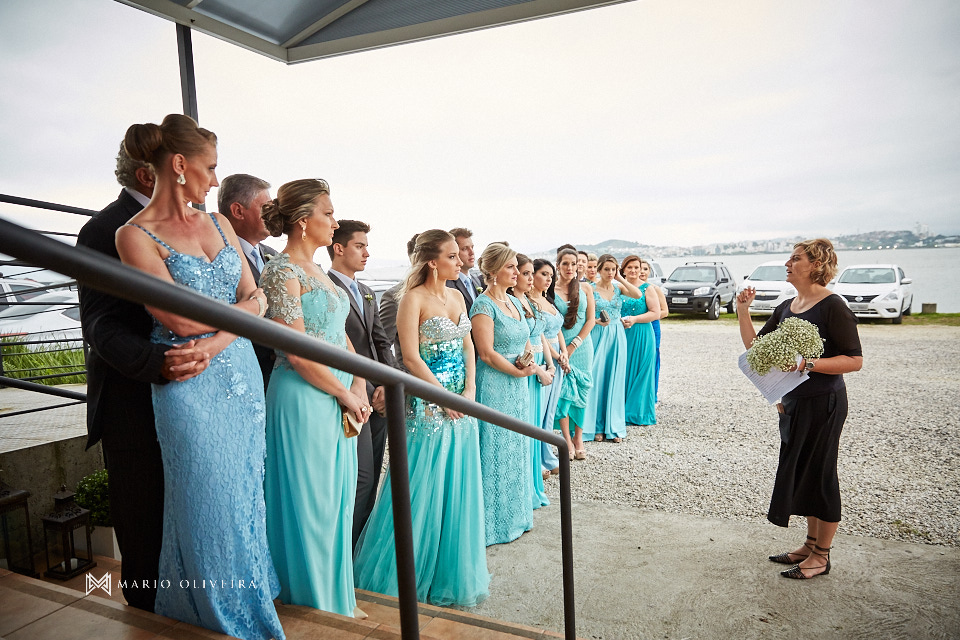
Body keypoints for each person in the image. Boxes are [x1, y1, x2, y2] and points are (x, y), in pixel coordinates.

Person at [115, 114, 284, 640]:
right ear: (181, 165)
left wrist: (215, 340)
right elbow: (180, 320)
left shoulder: (220, 224)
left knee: (244, 497)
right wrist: (226, 322)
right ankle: (216, 618)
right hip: (189, 387)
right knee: (206, 501)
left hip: (232, 371)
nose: (215, 180)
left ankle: (249, 606)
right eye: (210, 168)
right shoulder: (132, 235)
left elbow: (258, 299)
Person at [77, 141, 210, 612]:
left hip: (200, 394)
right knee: (144, 522)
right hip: (133, 402)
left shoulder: (198, 225)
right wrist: (157, 363)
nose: (206, 181)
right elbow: (99, 324)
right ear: (149, 175)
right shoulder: (103, 230)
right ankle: (147, 618)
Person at [354, 229, 490, 606]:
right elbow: (410, 358)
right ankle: (403, 574)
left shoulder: (459, 295)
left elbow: (468, 345)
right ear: (432, 261)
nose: (460, 261)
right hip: (429, 404)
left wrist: (470, 392)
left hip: (462, 403)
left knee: (456, 485)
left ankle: (447, 570)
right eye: (452, 256)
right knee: (422, 484)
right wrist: (442, 396)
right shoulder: (411, 298)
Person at [258, 179, 369, 617]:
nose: (335, 221)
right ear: (304, 223)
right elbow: (297, 351)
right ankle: (314, 600)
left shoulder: (320, 273)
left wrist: (359, 384)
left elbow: (343, 338)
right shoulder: (280, 271)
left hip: (339, 394)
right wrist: (344, 391)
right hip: (303, 397)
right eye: (328, 213)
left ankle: (335, 595)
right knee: (313, 502)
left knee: (338, 498)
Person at [737, 238, 863, 580]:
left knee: (820, 475)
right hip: (792, 402)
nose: (787, 264)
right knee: (803, 474)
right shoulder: (787, 306)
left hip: (825, 403)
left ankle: (822, 556)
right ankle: (809, 544)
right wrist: (743, 311)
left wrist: (809, 362)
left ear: (816, 265)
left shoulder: (833, 306)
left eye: (795, 259)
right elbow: (757, 350)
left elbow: (854, 360)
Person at [326, 219, 399, 546]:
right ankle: (345, 548)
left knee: (372, 478)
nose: (367, 253)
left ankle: (361, 549)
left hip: (379, 396)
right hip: (348, 396)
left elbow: (382, 343)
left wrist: (387, 383)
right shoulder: (326, 288)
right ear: (338, 248)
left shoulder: (368, 292)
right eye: (360, 245)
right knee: (358, 476)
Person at [471, 242, 537, 545]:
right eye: (510, 266)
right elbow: (485, 353)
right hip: (495, 385)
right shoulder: (483, 306)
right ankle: (492, 523)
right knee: (495, 448)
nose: (516, 271)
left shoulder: (513, 301)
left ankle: (517, 515)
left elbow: (525, 338)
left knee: (516, 446)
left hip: (519, 385)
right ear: (493, 271)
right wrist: (517, 371)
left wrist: (529, 360)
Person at [219, 173, 277, 388]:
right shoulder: (219, 256)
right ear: (237, 211)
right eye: (266, 208)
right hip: (241, 373)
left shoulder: (274, 256)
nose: (272, 215)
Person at [508, 254, 554, 504]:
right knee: (525, 429)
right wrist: (538, 369)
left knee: (537, 428)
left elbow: (542, 336)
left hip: (541, 366)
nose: (526, 278)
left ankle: (533, 483)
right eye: (524, 273)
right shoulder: (511, 302)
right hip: (526, 370)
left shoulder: (531, 303)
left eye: (527, 273)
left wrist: (550, 363)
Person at [583, 255, 642, 442]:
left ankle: (613, 427)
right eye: (606, 269)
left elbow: (638, 294)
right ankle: (595, 427)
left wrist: (620, 277)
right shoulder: (590, 288)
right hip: (598, 333)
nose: (610, 273)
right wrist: (598, 322)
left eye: (613, 269)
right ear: (599, 270)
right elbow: (585, 313)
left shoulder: (619, 288)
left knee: (614, 378)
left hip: (617, 334)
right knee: (596, 377)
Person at [552, 248, 595, 460]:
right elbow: (552, 321)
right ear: (558, 265)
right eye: (565, 264)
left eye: (574, 263)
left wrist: (575, 345)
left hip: (582, 345)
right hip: (561, 345)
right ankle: (566, 440)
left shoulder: (586, 288)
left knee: (582, 391)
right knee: (564, 392)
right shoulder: (550, 290)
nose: (570, 268)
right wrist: (564, 350)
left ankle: (579, 438)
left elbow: (591, 320)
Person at [530, 258, 567, 475]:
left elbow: (558, 328)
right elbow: (541, 333)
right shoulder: (530, 302)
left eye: (551, 276)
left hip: (558, 358)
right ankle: (538, 458)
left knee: (550, 411)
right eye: (544, 274)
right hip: (546, 357)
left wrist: (565, 354)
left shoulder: (548, 301)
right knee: (540, 409)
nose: (548, 279)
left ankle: (546, 453)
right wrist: (555, 356)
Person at [620, 255, 662, 427]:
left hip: (643, 333)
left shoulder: (648, 288)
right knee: (624, 370)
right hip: (622, 333)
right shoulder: (619, 288)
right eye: (630, 267)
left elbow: (655, 313)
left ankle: (639, 413)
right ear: (623, 269)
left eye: (636, 267)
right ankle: (621, 410)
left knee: (641, 371)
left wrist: (635, 319)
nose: (634, 270)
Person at [379, 232, 419, 367]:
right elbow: (383, 345)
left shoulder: (452, 294)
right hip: (415, 383)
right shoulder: (394, 296)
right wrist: (400, 376)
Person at [639, 258, 668, 400]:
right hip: (635, 327)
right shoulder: (628, 288)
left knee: (653, 358)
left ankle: (652, 394)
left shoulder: (654, 289)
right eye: (641, 268)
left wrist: (650, 316)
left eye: (646, 269)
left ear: (649, 272)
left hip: (652, 326)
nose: (642, 272)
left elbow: (665, 311)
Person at [446, 227, 483, 308]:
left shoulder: (477, 281)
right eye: (465, 249)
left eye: (472, 247)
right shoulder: (447, 284)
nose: (472, 253)